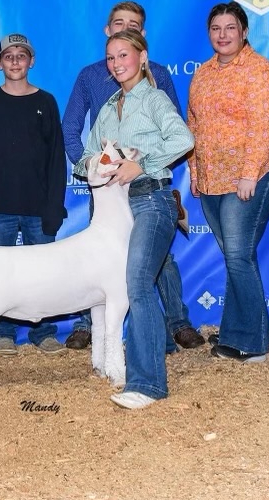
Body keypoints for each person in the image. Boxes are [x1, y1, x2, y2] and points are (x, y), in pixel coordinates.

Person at [62, 1, 202, 352]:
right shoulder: (99, 91)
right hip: (109, 194)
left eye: (133, 27)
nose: (117, 63)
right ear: (107, 32)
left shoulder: (155, 90)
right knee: (105, 262)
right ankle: (91, 327)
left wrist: (145, 165)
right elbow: (78, 133)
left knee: (151, 264)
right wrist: (95, 171)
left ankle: (174, 326)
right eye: (112, 56)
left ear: (141, 45)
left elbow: (178, 134)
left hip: (147, 192)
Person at [79, 31, 194, 410]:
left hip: (151, 200)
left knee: (138, 283)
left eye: (123, 55)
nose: (116, 63)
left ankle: (148, 384)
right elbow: (85, 158)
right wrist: (99, 164)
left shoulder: (155, 98)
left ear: (142, 57)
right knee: (136, 283)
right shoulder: (110, 106)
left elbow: (184, 139)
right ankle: (153, 354)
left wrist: (138, 162)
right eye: (110, 57)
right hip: (117, 210)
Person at [188, 1, 269, 363]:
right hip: (212, 180)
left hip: (253, 175)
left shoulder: (260, 72)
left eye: (231, 27)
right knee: (235, 257)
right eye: (216, 28)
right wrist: (196, 172)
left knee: (238, 255)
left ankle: (255, 343)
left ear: (244, 31)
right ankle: (239, 333)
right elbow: (193, 125)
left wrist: (248, 174)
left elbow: (264, 127)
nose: (223, 35)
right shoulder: (203, 73)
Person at [0, 34, 67, 354]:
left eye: (21, 55)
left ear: (32, 61)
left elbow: (56, 159)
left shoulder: (46, 102)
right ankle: (2, 330)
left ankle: (44, 330)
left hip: (39, 208)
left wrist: (55, 206)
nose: (15, 61)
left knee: (44, 275)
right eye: (8, 56)